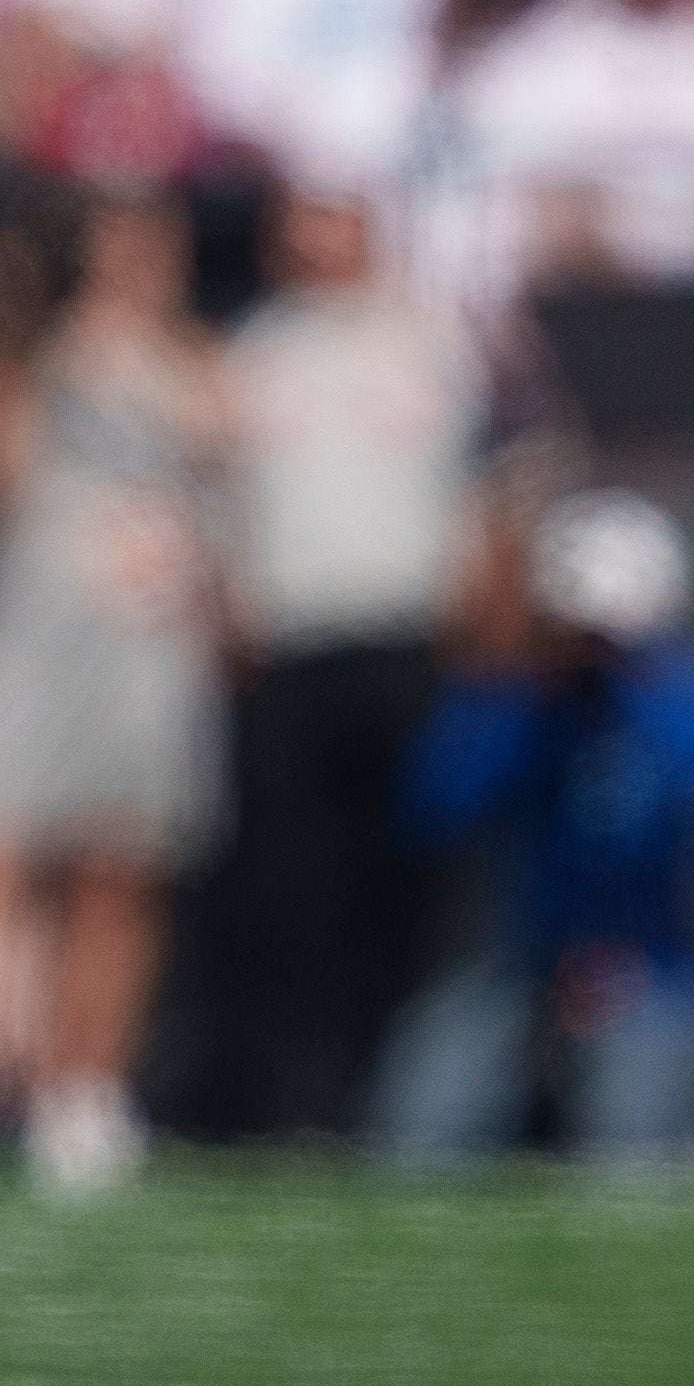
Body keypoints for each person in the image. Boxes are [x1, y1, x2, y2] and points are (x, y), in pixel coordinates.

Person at [0, 190, 228, 1198]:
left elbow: (228, 475)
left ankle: (81, 1092)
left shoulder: (198, 359)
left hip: (146, 638)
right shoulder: (28, 350)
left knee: (118, 868)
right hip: (34, 625)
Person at [195, 180, 483, 1134]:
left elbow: (490, 485)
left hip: (406, 636)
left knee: (411, 888)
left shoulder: (432, 340)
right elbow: (219, 498)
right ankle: (296, 1103)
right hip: (291, 639)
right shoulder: (254, 348)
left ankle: (400, 1102)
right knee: (291, 890)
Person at [371, 488, 694, 1164]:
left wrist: (628, 690)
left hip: (652, 969)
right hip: (522, 964)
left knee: (629, 1152)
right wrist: (514, 690)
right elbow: (428, 814)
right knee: (415, 1128)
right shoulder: (513, 701)